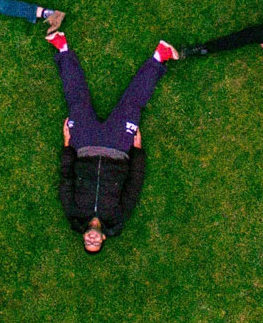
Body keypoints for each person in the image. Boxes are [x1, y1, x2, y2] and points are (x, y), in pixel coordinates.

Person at [48, 32, 179, 252]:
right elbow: (134, 185)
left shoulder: (73, 212)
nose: (92, 240)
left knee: (76, 102)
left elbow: (66, 178)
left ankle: (62, 48)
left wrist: (67, 143)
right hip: (118, 148)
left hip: (84, 146)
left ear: (83, 237)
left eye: (87, 242)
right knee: (132, 105)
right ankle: (159, 57)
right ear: (103, 239)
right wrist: (137, 150)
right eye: (95, 243)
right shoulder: (118, 217)